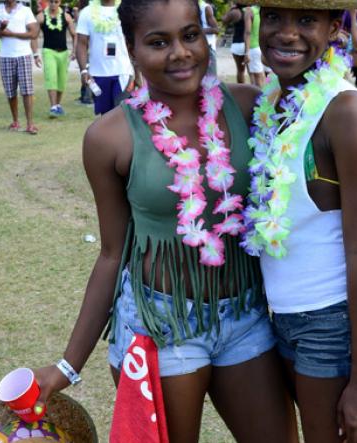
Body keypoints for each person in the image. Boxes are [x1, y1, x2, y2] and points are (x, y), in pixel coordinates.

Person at [32, 0, 299, 441]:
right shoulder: (109, 137)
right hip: (161, 328)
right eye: (159, 42)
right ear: (132, 50)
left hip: (246, 317)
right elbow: (111, 253)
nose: (180, 52)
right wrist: (67, 364)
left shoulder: (250, 106)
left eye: (190, 35)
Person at [239, 1, 357, 441]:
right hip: (278, 318)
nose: (286, 34)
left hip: (331, 323)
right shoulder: (272, 103)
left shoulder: (343, 110)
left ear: (333, 29)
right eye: (274, 18)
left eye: (306, 20)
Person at [75, 0, 133, 115]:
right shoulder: (87, 12)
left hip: (123, 72)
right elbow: (81, 43)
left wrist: (137, 71)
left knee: (123, 115)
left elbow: (133, 41)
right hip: (98, 74)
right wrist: (83, 70)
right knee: (105, 116)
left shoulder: (125, 9)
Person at [0, 0, 40, 134]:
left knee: (27, 90)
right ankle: (15, 121)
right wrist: (1, 29)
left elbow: (33, 34)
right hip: (6, 56)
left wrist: (11, 33)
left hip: (23, 55)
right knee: (10, 91)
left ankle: (30, 124)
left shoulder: (25, 10)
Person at [37, 0, 76, 118]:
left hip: (63, 53)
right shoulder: (41, 17)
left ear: (60, 3)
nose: (54, 4)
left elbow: (75, 35)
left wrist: (74, 51)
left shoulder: (66, 16)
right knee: (51, 77)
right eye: (52, 1)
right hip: (48, 51)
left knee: (62, 80)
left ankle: (57, 105)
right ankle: (53, 106)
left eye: (56, 1)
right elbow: (33, 35)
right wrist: (35, 54)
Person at [222, 3, 248, 84]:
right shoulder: (251, 11)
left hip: (238, 43)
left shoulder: (235, 12)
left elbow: (224, 20)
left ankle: (242, 90)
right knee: (254, 72)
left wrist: (230, 9)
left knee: (240, 70)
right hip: (251, 44)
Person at [243, 5, 265, 87]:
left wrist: (246, 53)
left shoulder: (249, 11)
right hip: (265, 47)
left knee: (257, 78)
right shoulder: (267, 9)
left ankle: (262, 99)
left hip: (254, 47)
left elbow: (248, 32)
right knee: (267, 77)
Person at [199, 0, 219, 75]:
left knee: (211, 79)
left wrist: (197, 31)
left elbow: (216, 29)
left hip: (208, 48)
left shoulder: (205, 8)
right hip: (196, 48)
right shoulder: (188, 7)